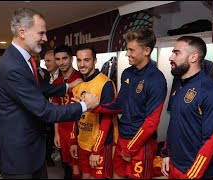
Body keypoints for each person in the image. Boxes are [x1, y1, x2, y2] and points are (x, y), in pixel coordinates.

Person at [0, 7, 99, 179]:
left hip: (31, 148)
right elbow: (45, 110)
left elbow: (37, 88)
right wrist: (85, 105)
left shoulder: (22, 59)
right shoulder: (13, 66)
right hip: (18, 154)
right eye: (41, 33)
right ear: (22, 32)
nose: (45, 38)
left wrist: (67, 87)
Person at [93, 28, 167, 179]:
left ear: (146, 51)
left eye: (131, 50)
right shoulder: (127, 73)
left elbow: (151, 123)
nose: (127, 53)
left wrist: (130, 149)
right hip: (122, 137)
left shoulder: (157, 80)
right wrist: (95, 107)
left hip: (141, 144)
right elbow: (120, 104)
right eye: (127, 49)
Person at [160, 36, 213, 179]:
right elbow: (175, 123)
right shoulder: (180, 84)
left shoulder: (210, 91)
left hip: (194, 172)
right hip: (174, 165)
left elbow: (210, 140)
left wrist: (193, 174)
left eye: (176, 53)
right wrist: (166, 153)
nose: (171, 57)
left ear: (193, 57)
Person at [70, 44, 118, 179]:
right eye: (79, 60)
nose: (82, 64)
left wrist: (96, 149)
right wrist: (73, 141)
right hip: (82, 142)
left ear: (95, 61)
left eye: (86, 60)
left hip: (100, 145)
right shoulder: (77, 84)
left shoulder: (105, 84)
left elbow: (107, 119)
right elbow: (76, 115)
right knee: (85, 175)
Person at [51, 45, 82, 179]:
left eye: (64, 58)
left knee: (79, 167)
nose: (61, 62)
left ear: (71, 59)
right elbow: (55, 110)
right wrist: (56, 133)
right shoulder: (57, 82)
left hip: (78, 130)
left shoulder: (80, 78)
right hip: (63, 129)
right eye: (58, 59)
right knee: (67, 165)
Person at [43, 49, 61, 167]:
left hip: (60, 114)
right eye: (45, 61)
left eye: (48, 61)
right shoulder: (45, 76)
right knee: (48, 138)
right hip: (47, 113)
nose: (45, 63)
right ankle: (47, 157)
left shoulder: (63, 77)